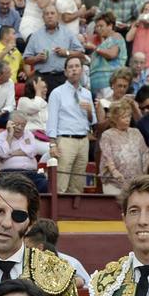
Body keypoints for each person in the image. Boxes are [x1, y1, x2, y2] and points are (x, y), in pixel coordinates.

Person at [46, 55, 93, 194]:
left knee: (78, 185)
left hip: (84, 140)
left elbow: (92, 121)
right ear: (66, 72)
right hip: (65, 140)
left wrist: (90, 111)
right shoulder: (57, 93)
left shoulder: (87, 94)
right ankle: (57, 214)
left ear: (82, 70)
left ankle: (75, 215)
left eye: (77, 66)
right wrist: (52, 144)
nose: (74, 70)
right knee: (61, 183)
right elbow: (52, 120)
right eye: (70, 67)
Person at [98, 98, 149, 194]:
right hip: (114, 183)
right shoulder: (107, 135)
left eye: (129, 116)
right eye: (123, 117)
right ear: (115, 118)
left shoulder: (136, 132)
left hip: (136, 183)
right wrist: (114, 171)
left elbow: (145, 153)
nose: (128, 119)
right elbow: (107, 156)